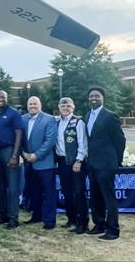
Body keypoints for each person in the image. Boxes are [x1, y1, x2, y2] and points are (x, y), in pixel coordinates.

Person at [84, 86, 126, 242]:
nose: (93, 98)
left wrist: (117, 161)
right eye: (91, 96)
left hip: (107, 164)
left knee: (109, 198)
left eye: (97, 95)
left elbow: (120, 141)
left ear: (103, 98)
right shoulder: (87, 116)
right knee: (95, 197)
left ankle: (113, 229)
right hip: (92, 164)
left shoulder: (110, 116)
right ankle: (99, 225)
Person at [21, 96, 57, 230]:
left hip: (44, 163)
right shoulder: (23, 119)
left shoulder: (49, 119)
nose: (32, 106)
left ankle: (49, 220)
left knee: (48, 192)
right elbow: (19, 138)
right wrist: (23, 153)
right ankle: (36, 216)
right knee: (33, 191)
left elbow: (50, 141)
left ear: (40, 105)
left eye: (35, 104)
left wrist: (37, 155)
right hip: (28, 162)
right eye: (30, 104)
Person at [0, 90, 23, 229]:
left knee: (13, 188)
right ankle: (3, 214)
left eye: (3, 97)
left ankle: (13, 218)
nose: (0, 99)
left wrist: (15, 155)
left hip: (9, 151)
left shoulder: (14, 113)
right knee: (0, 187)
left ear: (7, 98)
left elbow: (19, 134)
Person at [55, 97, 89, 234]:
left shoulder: (78, 122)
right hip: (62, 161)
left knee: (78, 192)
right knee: (67, 191)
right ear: (59, 107)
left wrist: (79, 160)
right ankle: (72, 219)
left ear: (73, 107)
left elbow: (83, 143)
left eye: (68, 105)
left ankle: (83, 223)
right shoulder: (57, 122)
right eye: (63, 105)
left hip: (75, 162)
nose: (65, 107)